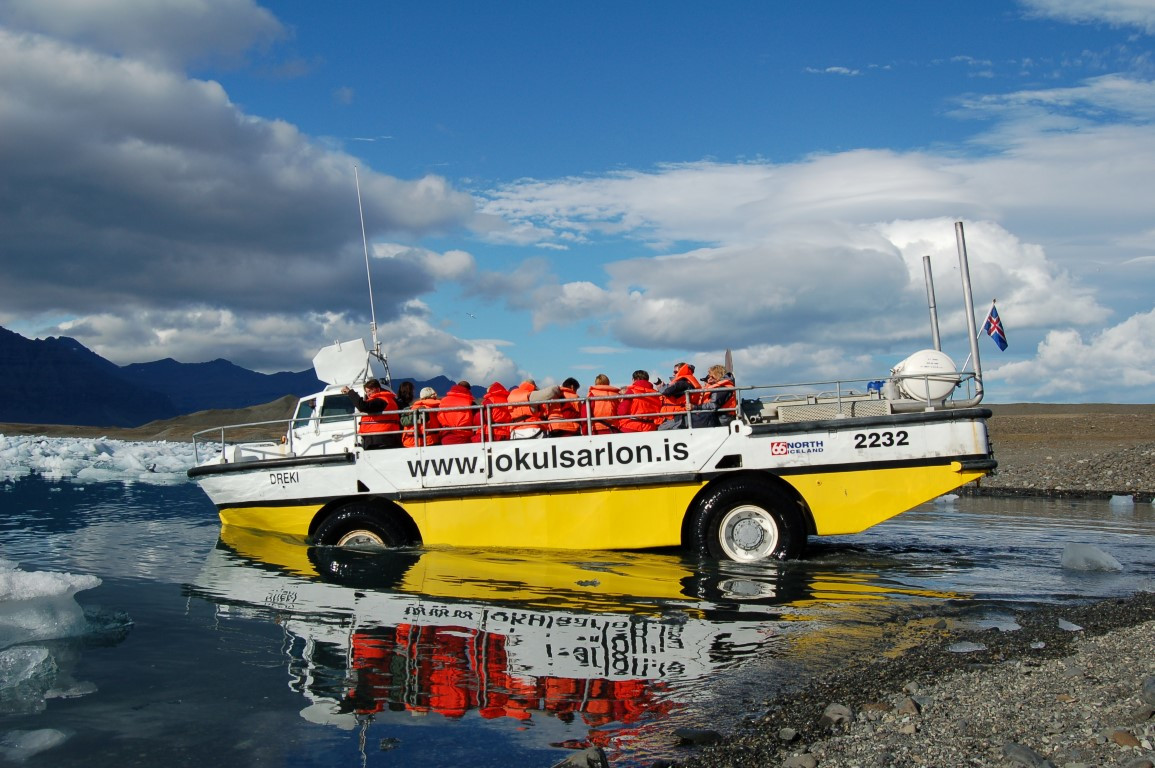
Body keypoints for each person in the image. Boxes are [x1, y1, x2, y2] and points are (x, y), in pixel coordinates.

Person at [342, 378, 402, 449]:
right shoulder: (388, 399)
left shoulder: (381, 400)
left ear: (377, 389)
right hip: (384, 437)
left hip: (380, 439)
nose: (368, 394)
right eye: (367, 392)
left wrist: (350, 392)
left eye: (370, 391)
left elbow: (363, 406)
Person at [658, 363, 707, 430]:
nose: (673, 374)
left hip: (678, 416)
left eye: (675, 372)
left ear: (682, 370)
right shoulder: (688, 382)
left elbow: (666, 392)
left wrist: (661, 387)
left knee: (662, 431)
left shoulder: (682, 383)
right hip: (681, 414)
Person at [437, 380, 477, 445]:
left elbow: (439, 416)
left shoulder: (443, 400)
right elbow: (477, 419)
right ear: (468, 390)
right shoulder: (470, 402)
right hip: (464, 437)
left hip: (446, 436)